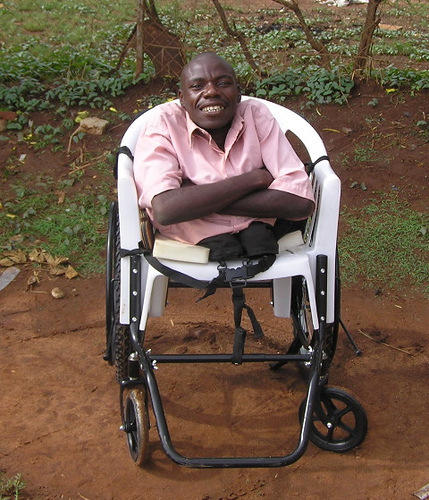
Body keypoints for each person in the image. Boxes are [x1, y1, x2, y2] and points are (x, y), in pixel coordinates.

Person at [133, 52, 315, 259]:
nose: (211, 92)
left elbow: (301, 202)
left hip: (259, 228)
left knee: (258, 238)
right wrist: (256, 179)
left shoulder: (255, 115)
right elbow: (166, 209)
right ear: (182, 99)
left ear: (238, 94)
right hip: (195, 235)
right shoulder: (164, 123)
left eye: (223, 83)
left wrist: (194, 199)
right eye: (197, 86)